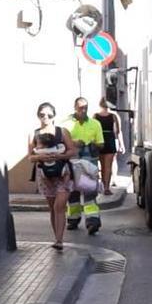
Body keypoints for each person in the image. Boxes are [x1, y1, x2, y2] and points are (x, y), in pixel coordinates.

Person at [28, 102, 77, 250]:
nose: (45, 118)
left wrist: (58, 155)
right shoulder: (34, 134)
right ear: (38, 116)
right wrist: (41, 158)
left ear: (54, 116)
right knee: (52, 208)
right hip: (44, 175)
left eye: (49, 115)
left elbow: (71, 151)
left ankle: (60, 240)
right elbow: (30, 157)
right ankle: (57, 238)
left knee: (59, 206)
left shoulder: (62, 132)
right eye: (42, 115)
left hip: (63, 174)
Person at [65, 97, 104, 234]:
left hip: (89, 163)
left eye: (86, 107)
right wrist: (74, 143)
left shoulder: (95, 124)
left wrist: (94, 145)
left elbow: (101, 144)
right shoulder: (67, 124)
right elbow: (62, 142)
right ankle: (73, 220)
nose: (84, 110)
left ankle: (93, 222)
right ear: (75, 107)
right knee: (72, 193)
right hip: (72, 161)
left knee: (89, 192)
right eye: (81, 107)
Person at [94, 97, 125, 195]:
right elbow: (118, 131)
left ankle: (102, 186)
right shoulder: (114, 116)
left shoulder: (95, 116)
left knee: (102, 166)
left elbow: (92, 130)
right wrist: (121, 144)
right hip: (110, 140)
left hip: (99, 140)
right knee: (108, 166)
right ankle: (106, 187)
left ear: (100, 104)